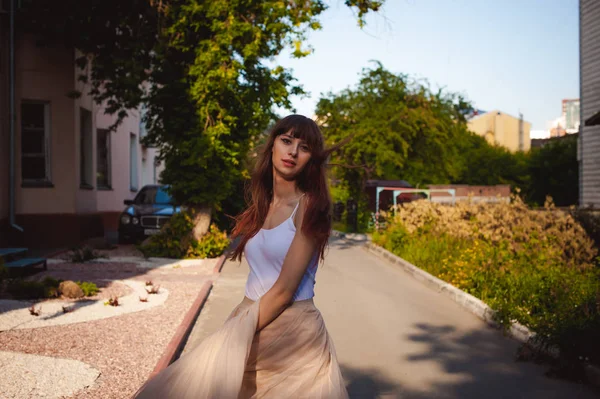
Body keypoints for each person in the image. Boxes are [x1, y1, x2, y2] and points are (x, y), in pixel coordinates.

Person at [134, 115, 348, 399]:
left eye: (304, 147)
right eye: (286, 141)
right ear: (272, 146)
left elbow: (284, 291)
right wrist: (240, 323)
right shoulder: (263, 205)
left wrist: (233, 333)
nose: (293, 152)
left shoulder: (309, 206)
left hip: (292, 334)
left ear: (312, 158)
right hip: (252, 319)